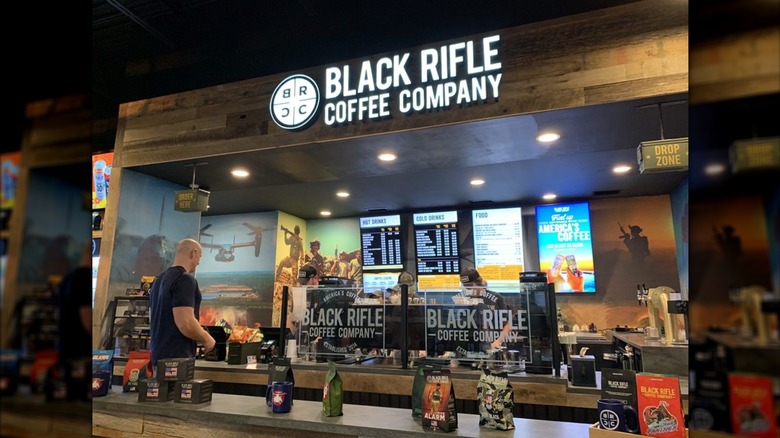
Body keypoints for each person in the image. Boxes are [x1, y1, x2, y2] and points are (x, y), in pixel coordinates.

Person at [149, 238, 215, 367]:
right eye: (200, 257)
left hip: (157, 355)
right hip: (177, 359)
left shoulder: (158, 280)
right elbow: (185, 323)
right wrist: (207, 338)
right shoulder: (185, 279)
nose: (199, 262)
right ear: (193, 253)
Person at [56, 241, 92, 361]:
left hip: (65, 349)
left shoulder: (68, 278)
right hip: (80, 353)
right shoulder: (85, 277)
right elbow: (87, 322)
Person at [460, 267, 511, 350]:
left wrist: (498, 341)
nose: (468, 289)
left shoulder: (495, 298)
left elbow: (507, 325)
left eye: (470, 286)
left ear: (478, 282)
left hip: (494, 346)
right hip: (473, 348)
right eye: (465, 286)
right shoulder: (465, 300)